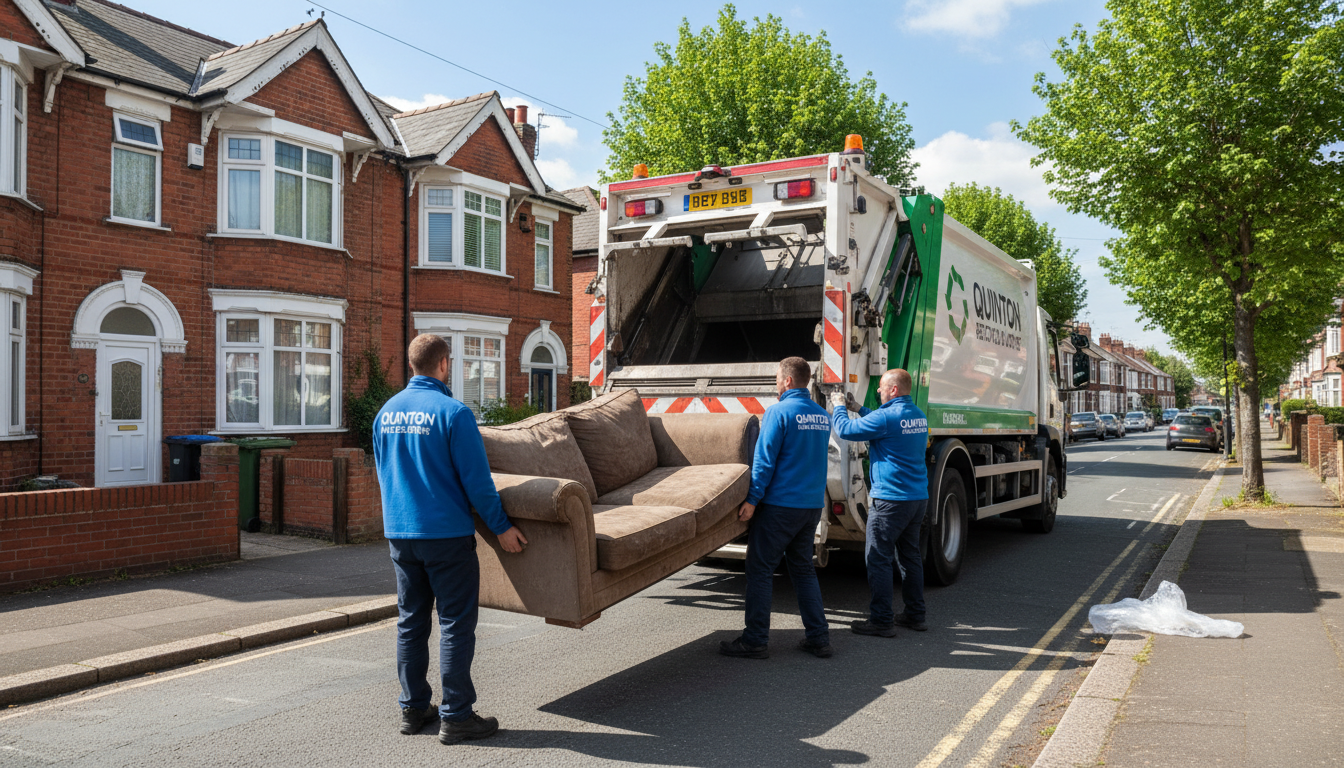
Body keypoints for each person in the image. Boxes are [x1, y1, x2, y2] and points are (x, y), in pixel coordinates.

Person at [372, 334, 528, 744]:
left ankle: (413, 709)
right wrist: (501, 527)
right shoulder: (455, 414)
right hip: (445, 535)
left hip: (400, 534)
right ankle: (456, 715)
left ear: (411, 365)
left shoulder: (385, 414)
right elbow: (478, 483)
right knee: (455, 624)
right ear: (443, 364)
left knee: (411, 622)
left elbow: (384, 474)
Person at [720, 356, 834, 660]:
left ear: (788, 381)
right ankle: (819, 638)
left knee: (759, 569)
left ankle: (755, 640)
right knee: (803, 570)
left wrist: (752, 500)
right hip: (810, 507)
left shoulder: (777, 412)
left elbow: (764, 460)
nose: (775, 383)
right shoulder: (822, 416)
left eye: (776, 378)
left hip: (780, 506)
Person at [829, 368, 930, 637]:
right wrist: (858, 408)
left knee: (878, 557)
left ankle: (882, 620)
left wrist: (838, 406)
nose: (878, 390)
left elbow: (845, 430)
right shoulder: (918, 416)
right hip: (917, 499)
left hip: (891, 501)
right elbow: (882, 424)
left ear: (893, 390)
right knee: (910, 556)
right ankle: (915, 615)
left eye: (882, 386)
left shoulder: (887, 418)